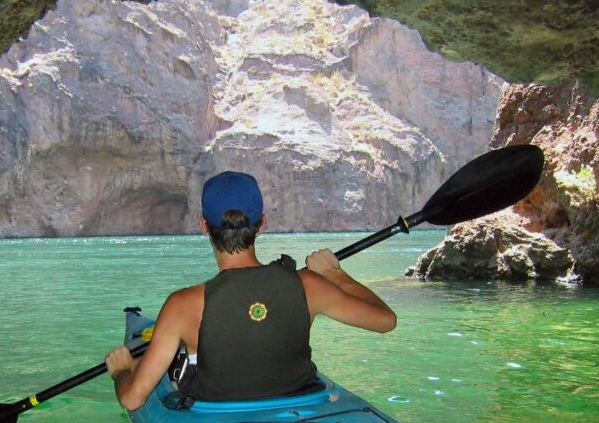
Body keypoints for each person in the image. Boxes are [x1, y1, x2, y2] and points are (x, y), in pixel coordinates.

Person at [106, 171, 396, 410]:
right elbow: (385, 321)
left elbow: (132, 399)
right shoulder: (310, 285)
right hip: (300, 397)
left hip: (216, 410)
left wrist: (122, 370)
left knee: (176, 362)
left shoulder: (183, 305)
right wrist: (335, 274)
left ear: (203, 225)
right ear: (262, 224)